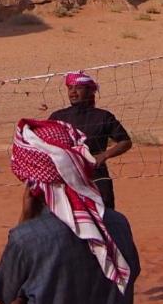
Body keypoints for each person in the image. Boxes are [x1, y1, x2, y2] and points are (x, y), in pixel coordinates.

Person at [0, 118, 140, 304]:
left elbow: (5, 291)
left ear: (32, 182)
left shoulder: (29, 237)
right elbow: (128, 274)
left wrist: (25, 217)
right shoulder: (118, 225)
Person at [49, 71, 131, 209]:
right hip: (66, 177)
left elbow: (126, 142)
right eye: (70, 88)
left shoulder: (103, 116)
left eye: (79, 88)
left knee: (106, 216)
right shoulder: (58, 117)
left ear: (90, 91)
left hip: (97, 176)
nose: (73, 92)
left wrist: (104, 156)